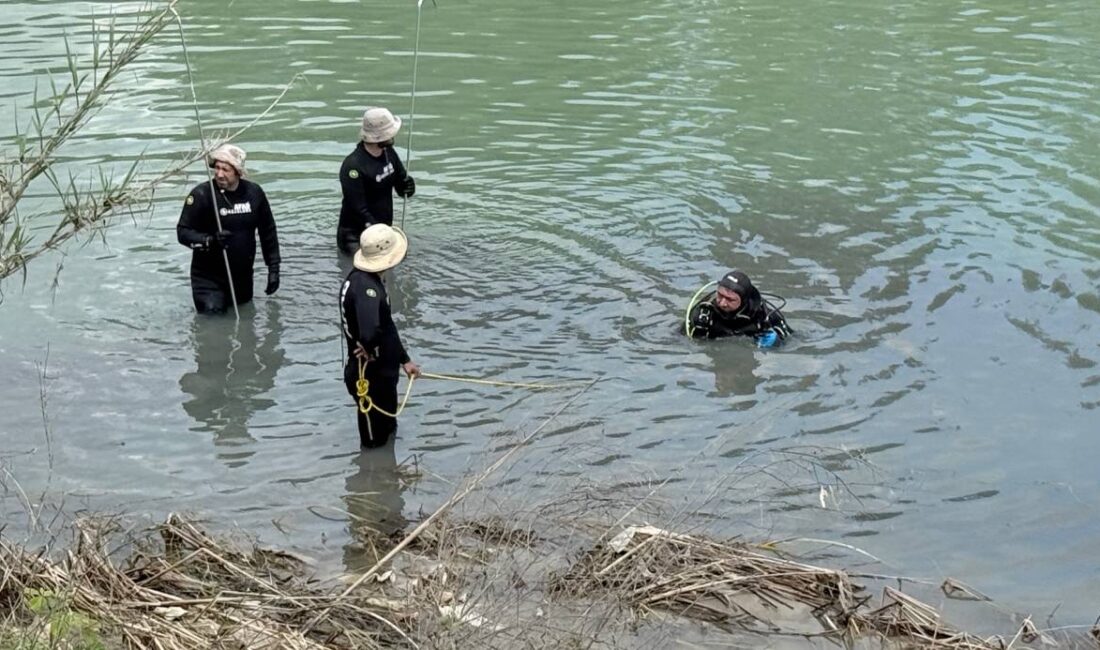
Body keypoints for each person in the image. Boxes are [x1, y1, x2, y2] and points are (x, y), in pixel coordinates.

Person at [339, 223, 421, 448]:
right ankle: (373, 479)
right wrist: (369, 346)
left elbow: (386, 325)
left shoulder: (364, 280)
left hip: (381, 374)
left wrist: (404, 360)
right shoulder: (367, 290)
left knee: (387, 429)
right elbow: (370, 332)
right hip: (371, 378)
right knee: (374, 442)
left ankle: (387, 474)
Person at [177, 144, 280, 313]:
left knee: (246, 326)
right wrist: (209, 241)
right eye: (216, 168)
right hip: (208, 280)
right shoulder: (202, 194)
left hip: (242, 278)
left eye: (225, 169)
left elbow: (268, 232)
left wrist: (274, 268)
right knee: (213, 324)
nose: (219, 174)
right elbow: (182, 232)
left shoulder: (254, 193)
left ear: (238, 172)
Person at [336, 107, 416, 254]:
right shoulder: (353, 166)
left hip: (383, 231)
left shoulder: (389, 153)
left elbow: (400, 184)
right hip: (356, 236)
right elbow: (358, 209)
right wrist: (379, 233)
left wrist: (408, 186)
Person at [686, 270, 791, 346]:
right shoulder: (703, 314)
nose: (722, 303)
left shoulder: (765, 316)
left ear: (744, 300)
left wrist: (779, 343)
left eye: (730, 299)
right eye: (720, 295)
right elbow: (681, 340)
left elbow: (795, 341)